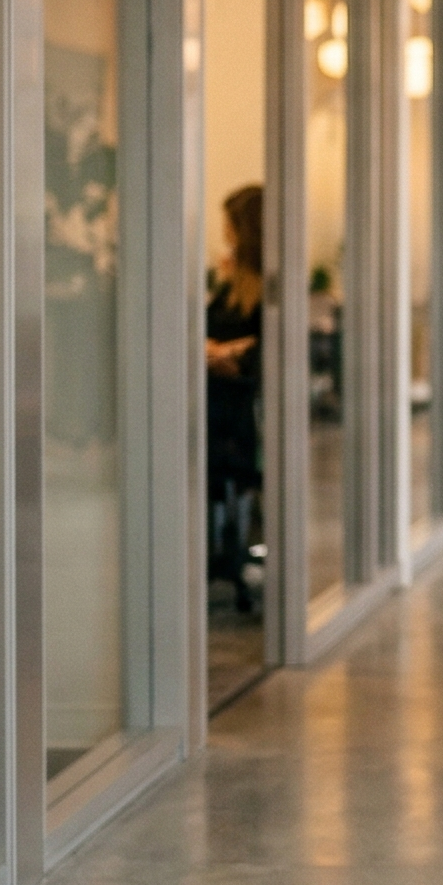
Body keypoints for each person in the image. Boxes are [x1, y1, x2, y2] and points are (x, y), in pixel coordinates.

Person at [204, 184, 263, 614]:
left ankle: (230, 552)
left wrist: (227, 353)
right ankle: (217, 551)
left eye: (229, 223)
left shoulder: (268, 287)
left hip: (240, 409)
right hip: (213, 396)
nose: (223, 230)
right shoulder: (230, 281)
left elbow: (261, 349)